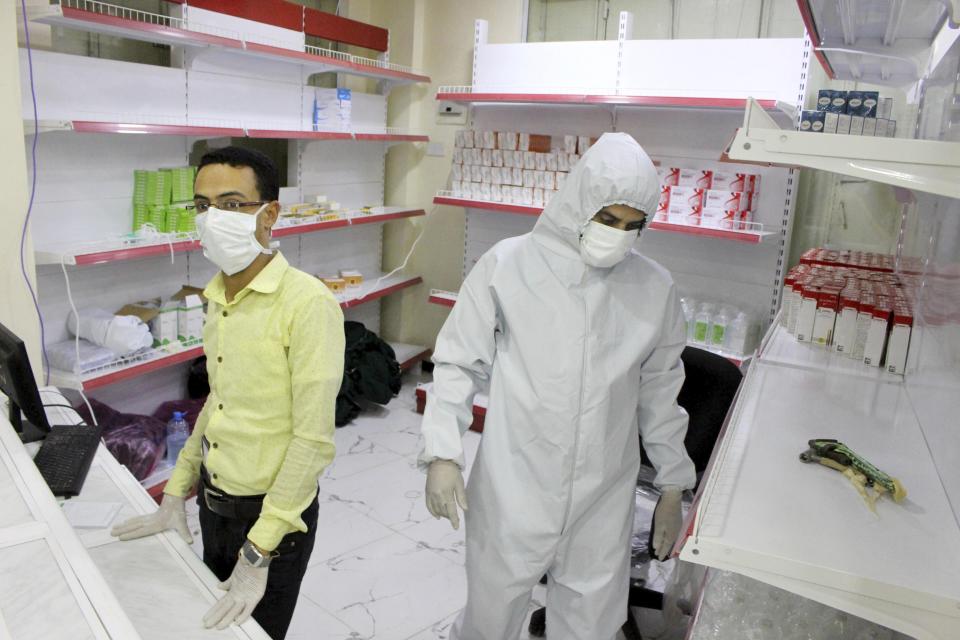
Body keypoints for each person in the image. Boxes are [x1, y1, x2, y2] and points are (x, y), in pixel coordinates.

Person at [420, 133, 697, 640]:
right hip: (515, 480)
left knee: (591, 622)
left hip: (603, 491)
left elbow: (661, 392)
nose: (619, 235)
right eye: (608, 220)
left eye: (634, 226)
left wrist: (674, 485)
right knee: (491, 615)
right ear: (577, 204)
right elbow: (458, 362)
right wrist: (442, 453)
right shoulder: (509, 265)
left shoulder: (654, 287)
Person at [111, 147, 344, 639]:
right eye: (203, 206)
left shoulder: (308, 304)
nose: (214, 219)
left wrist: (259, 551)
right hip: (213, 505)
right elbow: (216, 404)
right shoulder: (217, 296)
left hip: (273, 522)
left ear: (269, 213)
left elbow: (313, 440)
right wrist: (176, 494)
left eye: (232, 204)